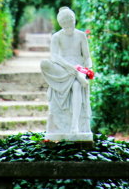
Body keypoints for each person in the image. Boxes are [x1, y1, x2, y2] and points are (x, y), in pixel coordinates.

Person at [40, 7, 93, 141]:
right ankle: (76, 75)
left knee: (76, 86)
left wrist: (87, 69)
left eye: (72, 23)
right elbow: (55, 57)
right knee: (44, 64)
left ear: (74, 21)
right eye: (66, 25)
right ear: (61, 24)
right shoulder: (57, 37)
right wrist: (71, 68)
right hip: (63, 69)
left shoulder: (81, 35)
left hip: (79, 68)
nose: (70, 27)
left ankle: (74, 125)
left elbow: (86, 56)